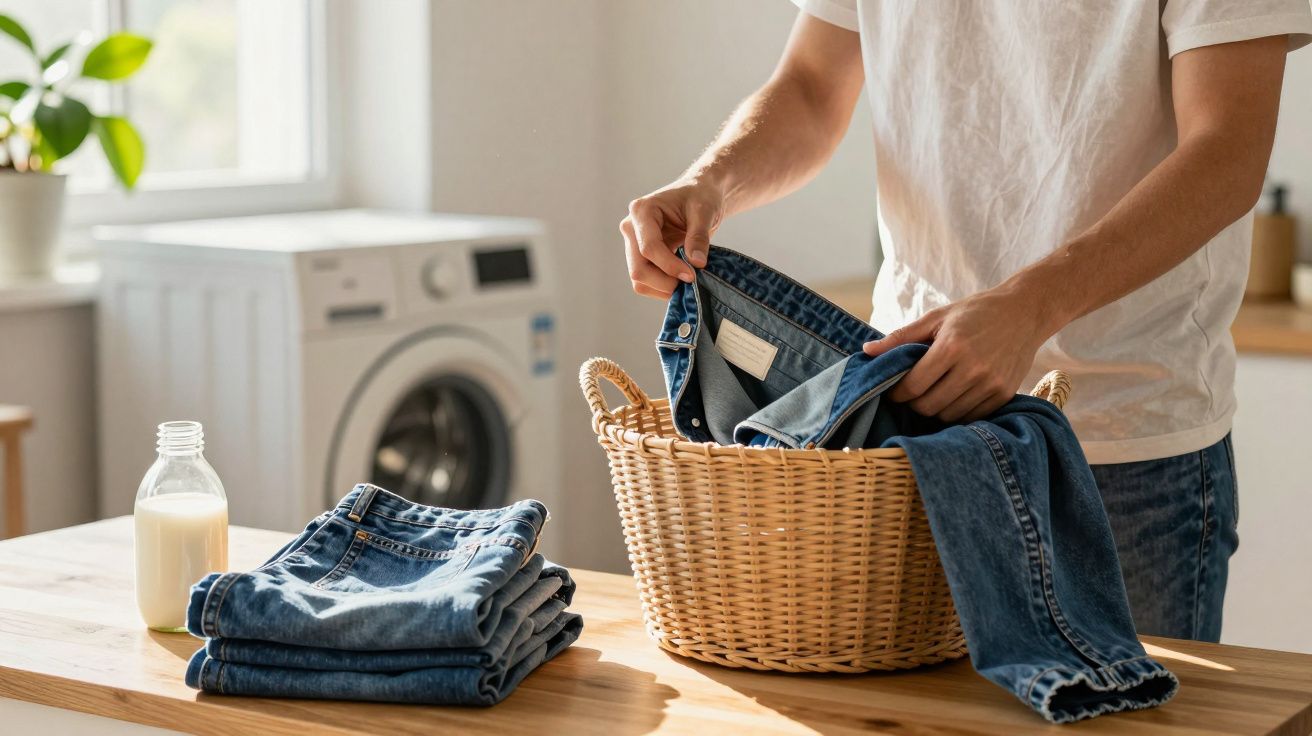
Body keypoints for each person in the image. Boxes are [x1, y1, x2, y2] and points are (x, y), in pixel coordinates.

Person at [618, 1, 1312, 643]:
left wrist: (1031, 307)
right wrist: (711, 182)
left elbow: (1227, 150)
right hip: (907, 426)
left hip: (1123, 446)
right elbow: (809, 86)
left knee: (1128, 715)